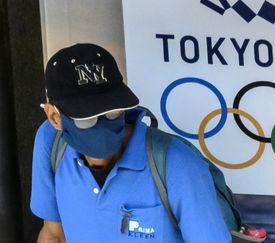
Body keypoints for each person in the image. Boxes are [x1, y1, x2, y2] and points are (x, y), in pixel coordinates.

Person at [30, 43, 231, 243]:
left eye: (112, 112)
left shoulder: (177, 165)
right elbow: (54, 233)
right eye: (86, 119)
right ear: (55, 118)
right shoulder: (51, 143)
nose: (102, 128)